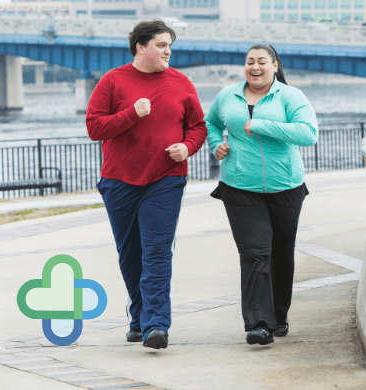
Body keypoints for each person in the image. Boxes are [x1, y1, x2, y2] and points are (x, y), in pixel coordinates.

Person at [86, 20, 207, 350]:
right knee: (130, 255)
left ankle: (156, 325)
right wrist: (131, 114)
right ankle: (139, 316)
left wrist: (187, 147)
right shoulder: (112, 81)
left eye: (170, 45)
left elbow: (197, 127)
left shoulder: (182, 83)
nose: (168, 51)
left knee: (156, 252)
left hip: (166, 179)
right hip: (119, 181)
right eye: (161, 44)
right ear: (141, 46)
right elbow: (95, 128)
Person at [206, 44, 318, 346]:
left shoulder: (290, 96)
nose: (255, 67)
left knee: (281, 255)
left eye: (261, 62)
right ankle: (258, 323)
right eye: (249, 62)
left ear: (274, 65)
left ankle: (278, 316)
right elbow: (210, 123)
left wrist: (263, 125)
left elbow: (309, 133)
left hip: (286, 185)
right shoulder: (228, 95)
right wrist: (216, 143)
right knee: (255, 253)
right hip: (239, 185)